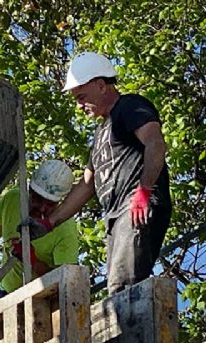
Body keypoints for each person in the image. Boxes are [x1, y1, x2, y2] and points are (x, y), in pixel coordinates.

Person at [42, 52, 171, 294]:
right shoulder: (102, 133)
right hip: (116, 218)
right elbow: (87, 185)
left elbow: (155, 143)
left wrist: (144, 190)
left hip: (133, 208)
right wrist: (50, 222)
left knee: (123, 288)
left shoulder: (130, 106)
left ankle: (134, 332)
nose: (79, 106)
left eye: (82, 97)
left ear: (101, 85)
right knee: (118, 286)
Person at [0, 159, 79, 294]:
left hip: (41, 301)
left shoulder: (65, 228)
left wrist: (33, 261)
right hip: (6, 295)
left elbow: (66, 282)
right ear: (30, 189)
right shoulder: (12, 200)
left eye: (50, 204)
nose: (42, 208)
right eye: (38, 199)